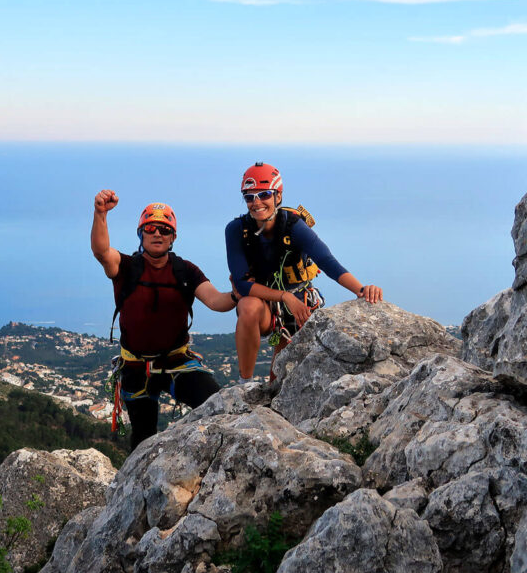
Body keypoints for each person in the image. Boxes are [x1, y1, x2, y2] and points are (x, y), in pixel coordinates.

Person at [91, 189, 235, 450]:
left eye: (164, 230)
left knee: (219, 405)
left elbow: (216, 301)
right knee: (143, 440)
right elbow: (102, 252)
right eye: (151, 228)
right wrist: (101, 214)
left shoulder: (185, 271)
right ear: (141, 234)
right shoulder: (125, 267)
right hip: (136, 368)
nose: (157, 233)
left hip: (177, 362)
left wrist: (238, 293)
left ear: (173, 237)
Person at [225, 162, 383, 379]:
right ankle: (246, 385)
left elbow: (327, 262)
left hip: (299, 306)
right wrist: (284, 296)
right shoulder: (237, 230)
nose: (256, 202)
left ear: (277, 197)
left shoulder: (294, 226)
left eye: (264, 194)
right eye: (249, 197)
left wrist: (362, 289)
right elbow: (243, 284)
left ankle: (268, 392)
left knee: (280, 378)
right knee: (247, 305)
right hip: (266, 305)